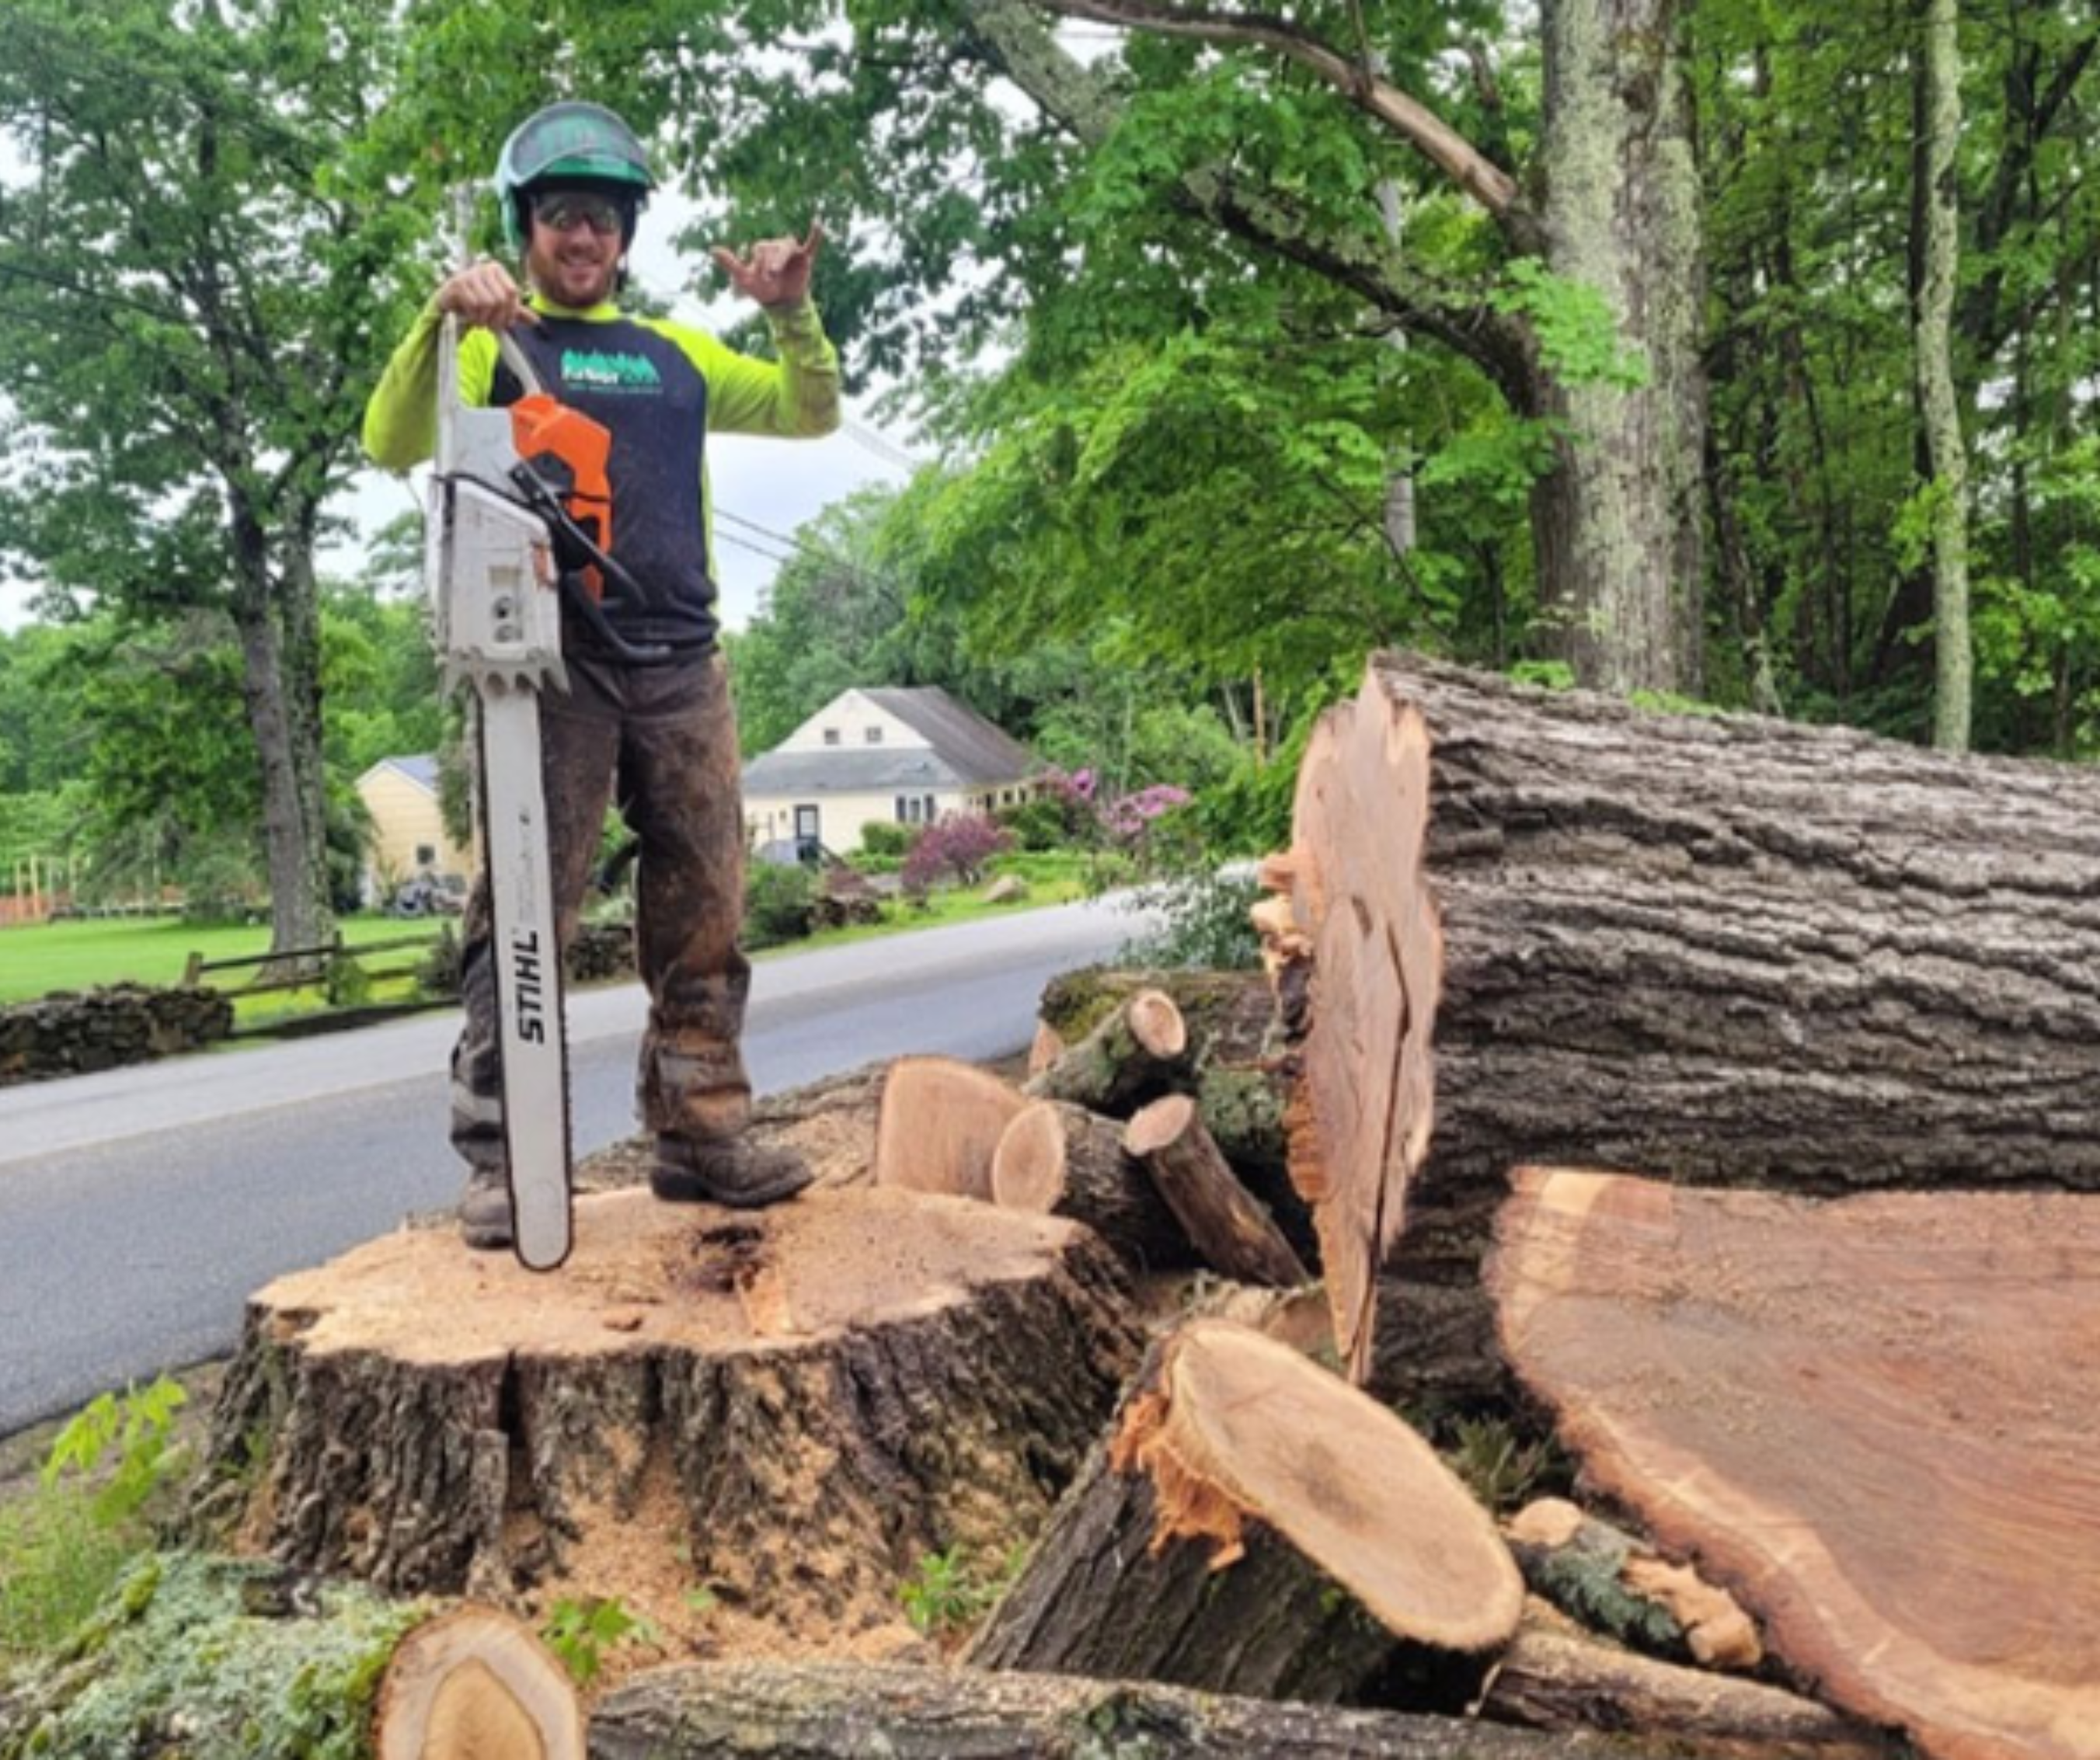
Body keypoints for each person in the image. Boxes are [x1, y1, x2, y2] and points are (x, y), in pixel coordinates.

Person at [362, 99, 841, 1248]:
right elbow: (389, 441)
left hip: (683, 665)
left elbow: (809, 412)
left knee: (706, 900)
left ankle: (698, 1128)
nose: (582, 238)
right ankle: (502, 1155)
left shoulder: (673, 356)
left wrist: (792, 315)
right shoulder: (490, 343)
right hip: (546, 674)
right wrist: (441, 316)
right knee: (522, 909)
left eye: (602, 219)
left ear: (626, 234)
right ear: (528, 227)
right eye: (562, 216)